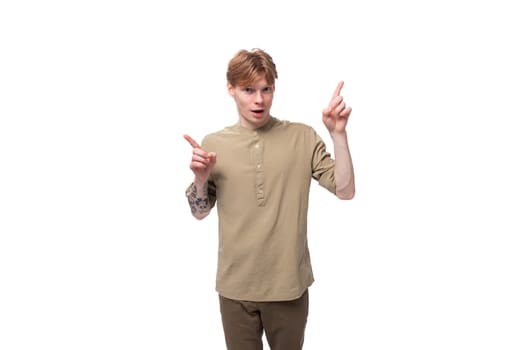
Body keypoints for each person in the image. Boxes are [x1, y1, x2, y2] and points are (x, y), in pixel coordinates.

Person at [183, 48, 355, 350]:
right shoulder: (214, 144)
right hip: (235, 288)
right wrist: (200, 178)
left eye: (266, 89)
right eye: (248, 90)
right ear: (231, 89)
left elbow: (345, 190)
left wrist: (338, 135)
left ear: (274, 88)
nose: (259, 100)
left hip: (288, 286)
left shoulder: (303, 137)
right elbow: (199, 212)